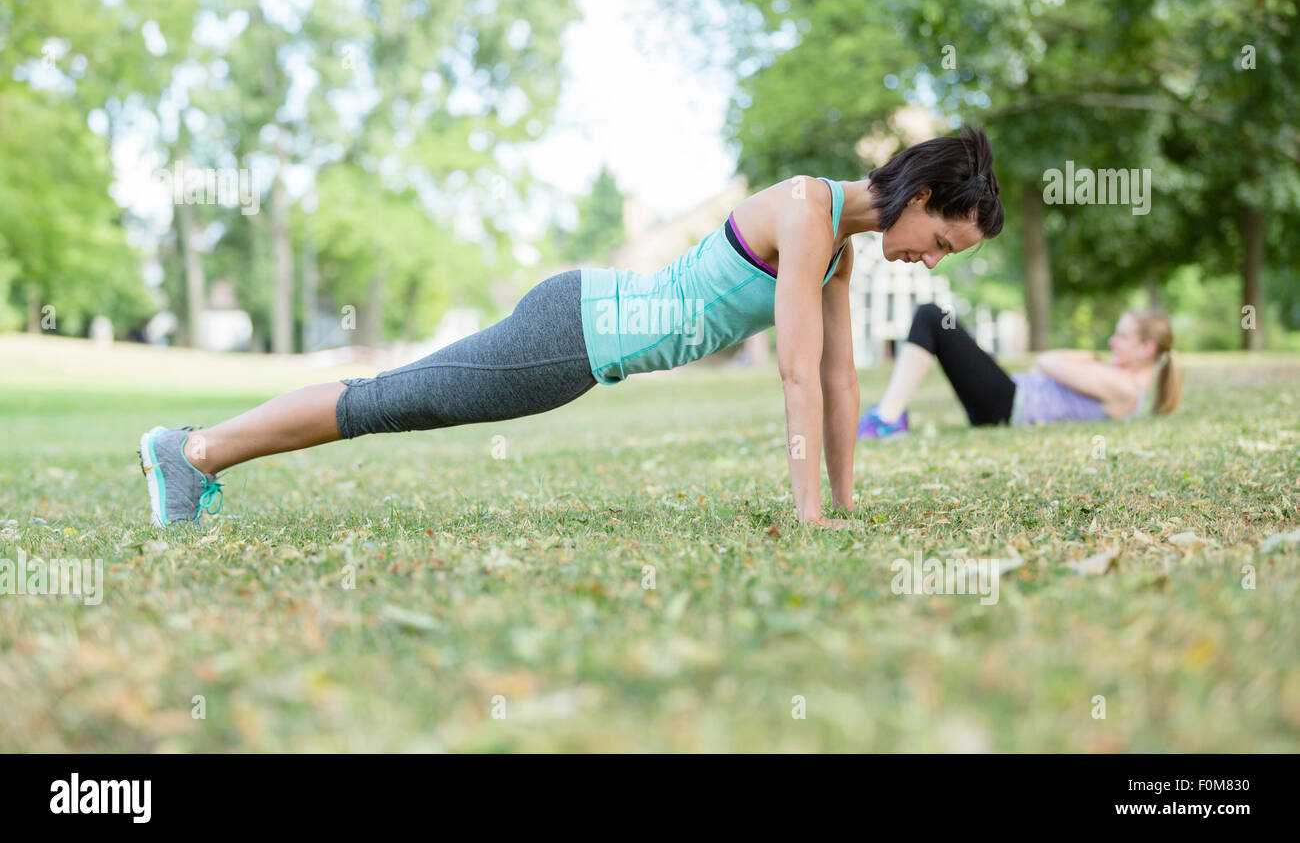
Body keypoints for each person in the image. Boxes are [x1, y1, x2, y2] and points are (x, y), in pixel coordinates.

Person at [139, 125, 1005, 531]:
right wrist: (807, 513)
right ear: (920, 199)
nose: (930, 260)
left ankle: (196, 452)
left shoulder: (835, 246)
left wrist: (844, 508)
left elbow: (838, 382)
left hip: (583, 335)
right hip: (576, 332)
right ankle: (195, 453)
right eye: (938, 242)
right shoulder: (808, 209)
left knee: (391, 399)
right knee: (385, 400)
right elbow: (794, 373)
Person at [856, 305, 1181, 439]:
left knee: (933, 317)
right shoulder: (1119, 382)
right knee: (936, 320)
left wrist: (1086, 356)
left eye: (1122, 336)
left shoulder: (1123, 386)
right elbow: (1044, 367)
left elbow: (1046, 363)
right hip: (1005, 401)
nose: (1112, 341)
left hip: (1007, 405)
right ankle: (889, 417)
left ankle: (887, 419)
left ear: (1145, 350)